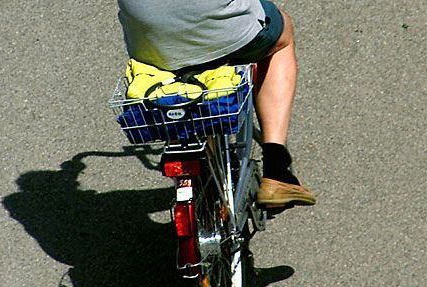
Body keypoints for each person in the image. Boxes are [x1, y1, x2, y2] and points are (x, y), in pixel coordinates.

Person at [117, 0, 316, 208]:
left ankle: (202, 162)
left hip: (148, 40)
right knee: (282, 36)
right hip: (222, 30)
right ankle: (277, 168)